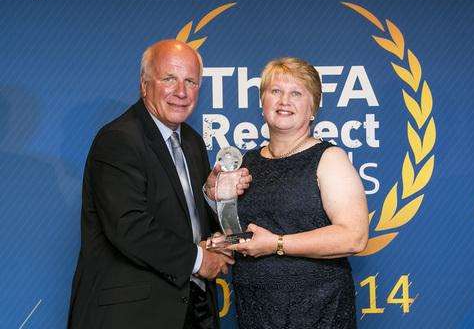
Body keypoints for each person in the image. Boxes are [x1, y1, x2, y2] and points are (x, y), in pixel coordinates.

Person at [67, 40, 251, 329]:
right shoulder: (118, 140)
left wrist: (213, 197)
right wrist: (200, 259)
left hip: (191, 309)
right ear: (144, 84)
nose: (181, 92)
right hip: (131, 316)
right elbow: (129, 227)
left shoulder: (191, 141)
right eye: (169, 79)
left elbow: (186, 220)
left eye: (190, 81)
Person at [226, 57, 369, 328]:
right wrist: (223, 236)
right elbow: (245, 230)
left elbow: (354, 236)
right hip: (256, 312)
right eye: (275, 91)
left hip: (317, 311)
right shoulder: (248, 161)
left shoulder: (329, 158)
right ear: (262, 101)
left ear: (312, 107)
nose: (284, 101)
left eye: (296, 93)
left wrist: (276, 243)